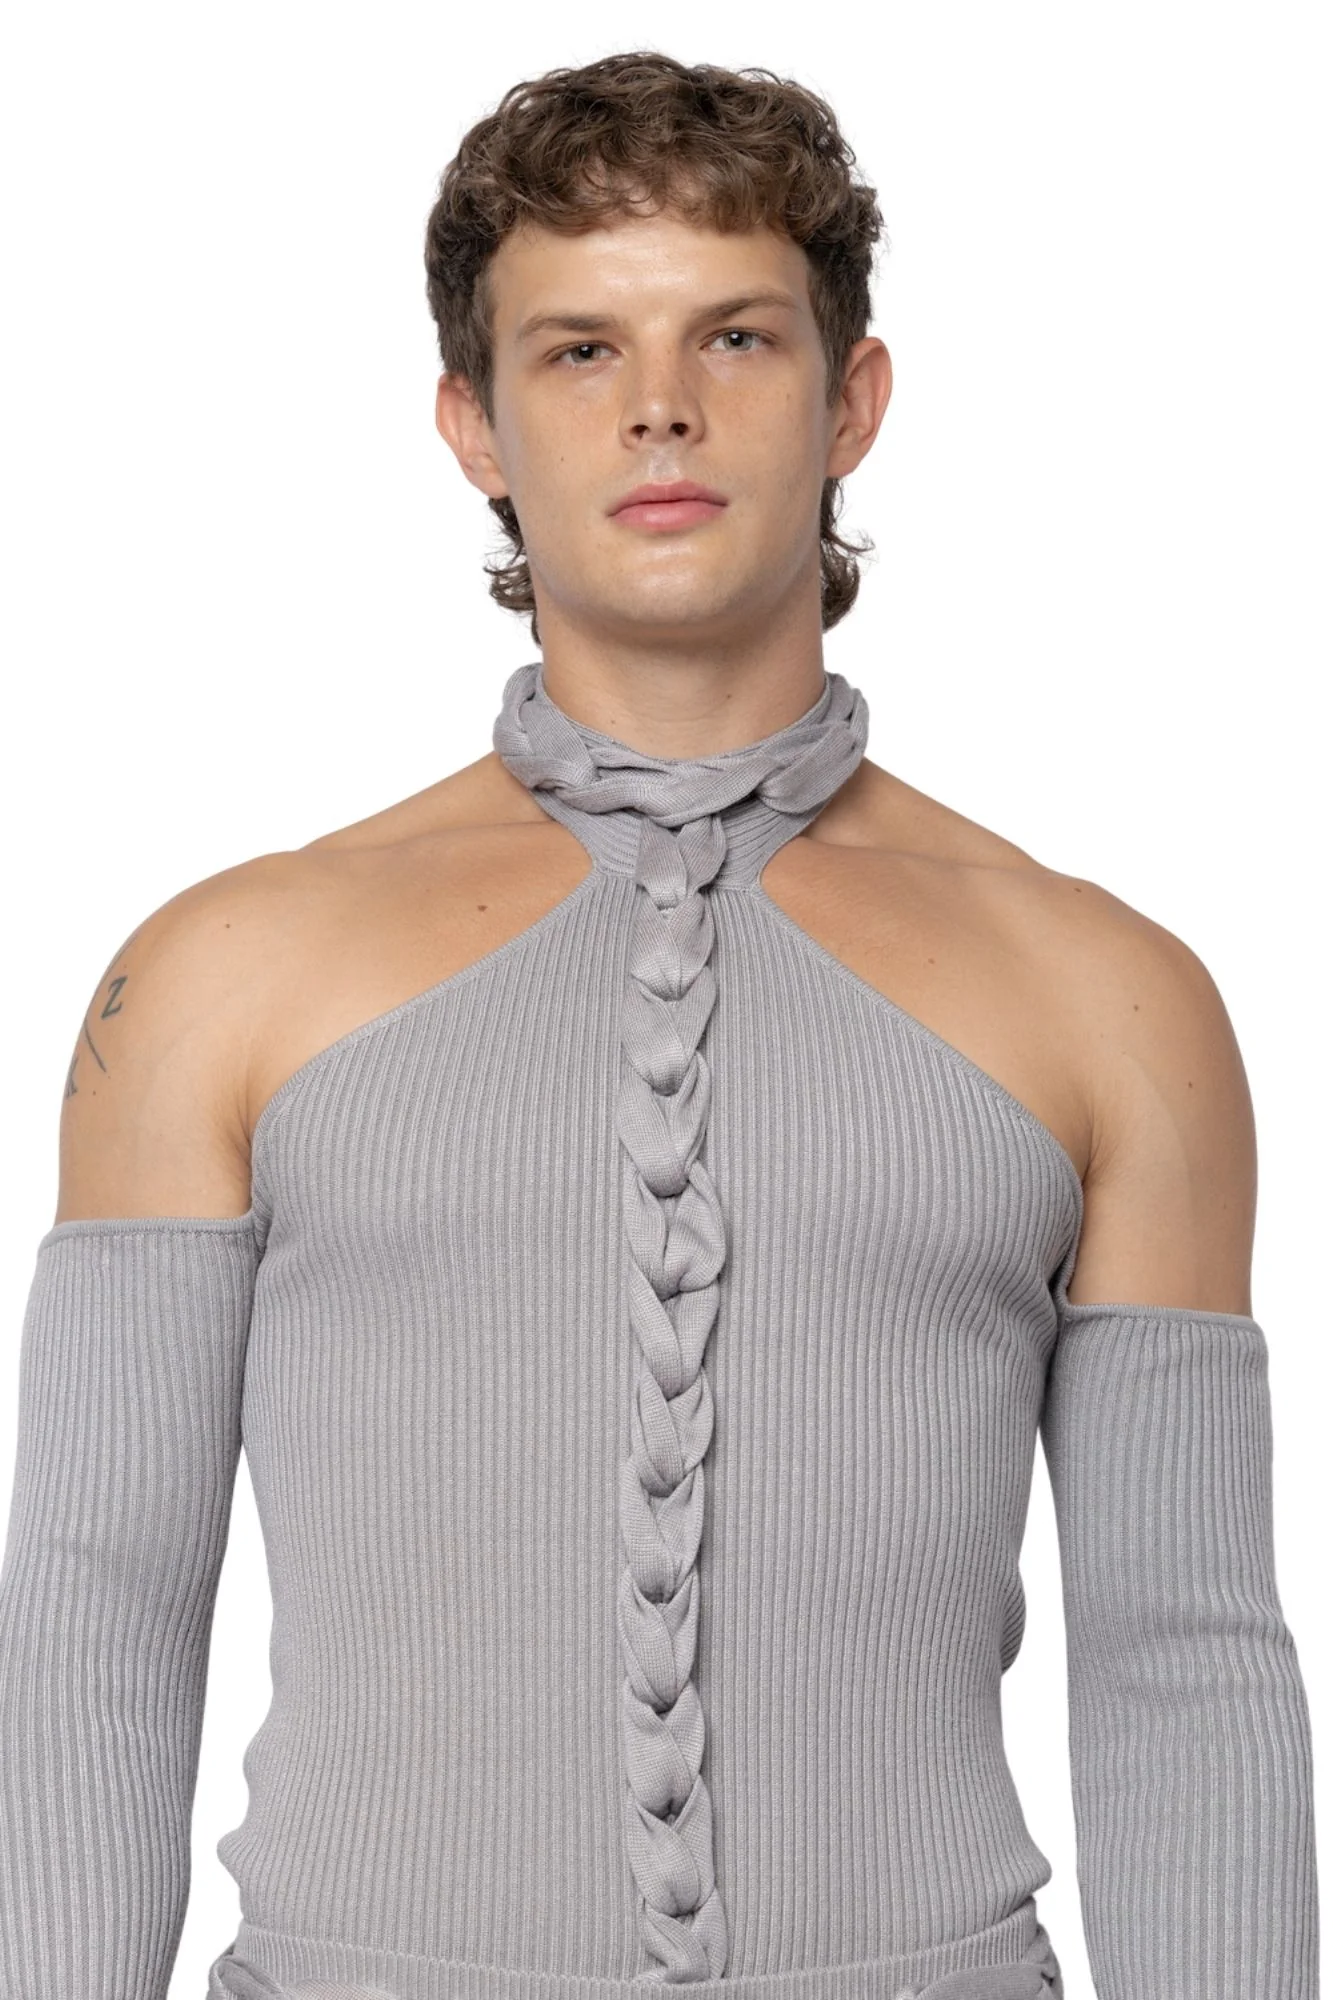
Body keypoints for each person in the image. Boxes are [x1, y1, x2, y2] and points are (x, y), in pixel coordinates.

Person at [0, 48, 1318, 2000]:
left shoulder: (1113, 998)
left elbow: (1182, 1661)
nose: (662, 408)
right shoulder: (216, 976)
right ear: (473, 421)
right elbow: (94, 1619)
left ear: (853, 397)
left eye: (737, 336)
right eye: (579, 352)